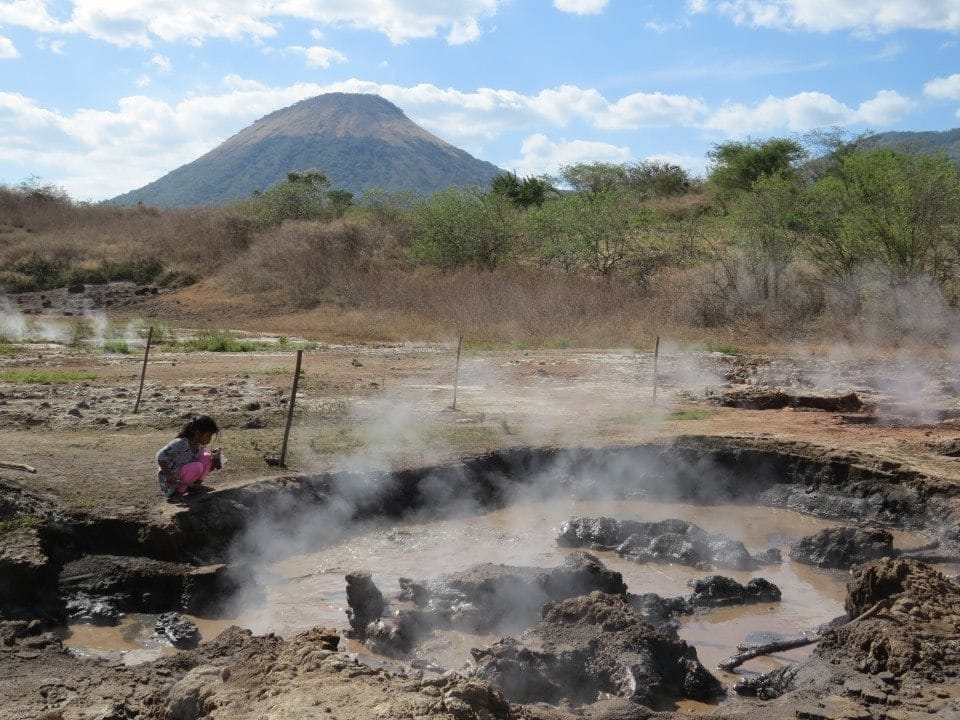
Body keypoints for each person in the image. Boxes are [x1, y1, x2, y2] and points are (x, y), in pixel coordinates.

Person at [156, 415, 223, 500]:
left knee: (208, 457)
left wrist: (215, 461)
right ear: (198, 433)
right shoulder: (180, 443)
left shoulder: (199, 446)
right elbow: (160, 456)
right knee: (197, 466)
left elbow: (204, 464)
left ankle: (195, 487)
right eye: (208, 436)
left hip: (185, 478)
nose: (209, 439)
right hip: (171, 483)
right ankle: (178, 493)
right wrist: (169, 474)